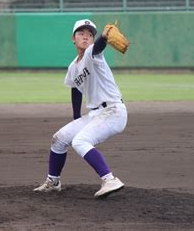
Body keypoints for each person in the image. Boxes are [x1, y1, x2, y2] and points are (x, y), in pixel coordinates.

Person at [34, 19, 128, 198]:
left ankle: (110, 179)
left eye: (90, 34)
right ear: (73, 39)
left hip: (114, 111)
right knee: (59, 139)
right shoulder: (73, 67)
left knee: (80, 141)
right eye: (81, 33)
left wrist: (104, 36)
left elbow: (99, 46)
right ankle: (53, 181)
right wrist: (76, 117)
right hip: (96, 114)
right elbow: (75, 89)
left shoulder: (92, 53)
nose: (86, 37)